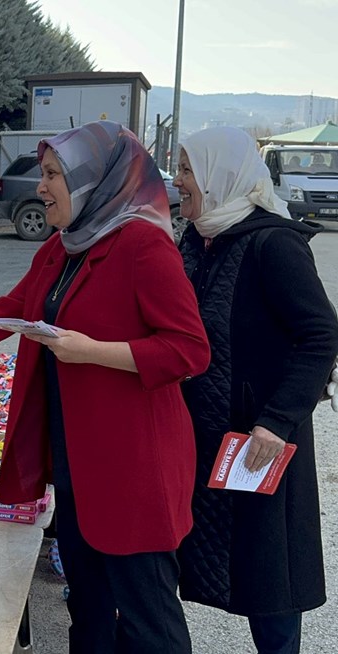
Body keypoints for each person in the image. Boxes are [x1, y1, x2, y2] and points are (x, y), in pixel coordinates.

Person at [0, 121, 210, 653]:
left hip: (133, 468)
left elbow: (190, 350)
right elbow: (5, 313)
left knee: (149, 618)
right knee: (88, 607)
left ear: (94, 181)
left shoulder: (144, 245)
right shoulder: (62, 248)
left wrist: (91, 351)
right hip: (76, 460)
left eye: (53, 174)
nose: (41, 186)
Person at [174, 126, 338, 654]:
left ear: (221, 174)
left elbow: (321, 335)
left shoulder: (274, 243)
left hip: (259, 441)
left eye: (186, 169)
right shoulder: (200, 240)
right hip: (203, 436)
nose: (178, 182)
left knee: (270, 581)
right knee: (218, 563)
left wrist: (276, 419)